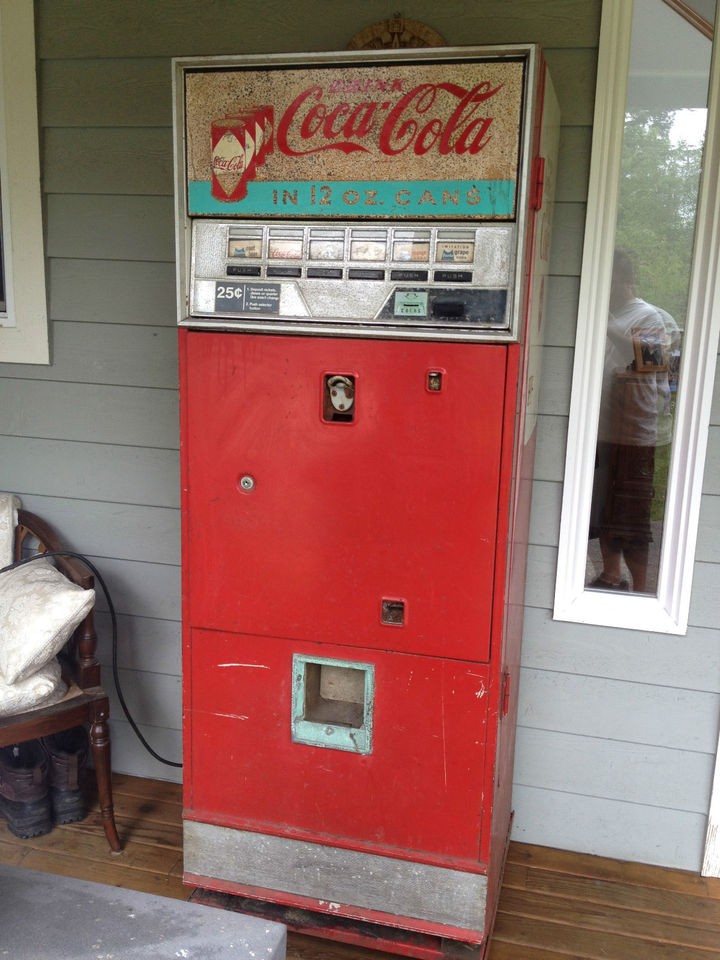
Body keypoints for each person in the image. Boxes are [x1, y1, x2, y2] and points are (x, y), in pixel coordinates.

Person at [588, 249, 678, 593]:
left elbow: (651, 359)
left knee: (632, 515)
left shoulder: (650, 316)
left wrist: (605, 325)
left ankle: (642, 589)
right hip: (605, 426)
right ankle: (612, 575)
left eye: (608, 280)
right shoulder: (609, 313)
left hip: (637, 433)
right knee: (606, 508)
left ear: (624, 281)